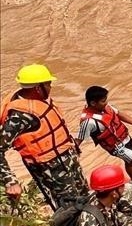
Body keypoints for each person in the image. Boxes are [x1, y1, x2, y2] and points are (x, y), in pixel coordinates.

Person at [0, 64, 88, 210]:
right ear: (37, 87)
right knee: (70, 209)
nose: (51, 87)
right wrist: (11, 182)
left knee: (85, 196)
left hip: (68, 160)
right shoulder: (20, 116)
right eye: (48, 84)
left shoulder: (39, 100)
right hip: (51, 171)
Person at [77, 86, 132, 199]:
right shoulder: (88, 122)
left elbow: (119, 114)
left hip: (125, 138)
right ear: (93, 103)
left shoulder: (106, 107)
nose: (106, 102)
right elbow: (79, 139)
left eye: (106, 99)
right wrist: (73, 152)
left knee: (130, 162)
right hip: (116, 147)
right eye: (103, 100)